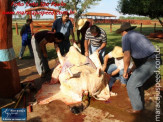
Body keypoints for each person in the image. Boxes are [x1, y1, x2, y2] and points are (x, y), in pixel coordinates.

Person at [116, 22, 156, 113]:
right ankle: (138, 103)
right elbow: (138, 57)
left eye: (121, 32)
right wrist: (131, 69)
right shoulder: (137, 34)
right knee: (137, 83)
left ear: (124, 31)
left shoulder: (126, 37)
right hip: (153, 60)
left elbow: (126, 55)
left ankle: (137, 110)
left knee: (131, 84)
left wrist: (125, 71)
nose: (121, 34)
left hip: (150, 62)